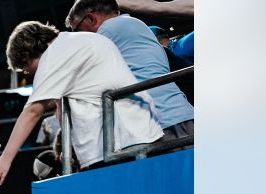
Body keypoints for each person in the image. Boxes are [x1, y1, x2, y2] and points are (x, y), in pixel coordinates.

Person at [0, 21, 162, 187]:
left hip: (114, 148)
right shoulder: (82, 39)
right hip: (144, 134)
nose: (29, 74)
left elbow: (33, 111)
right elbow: (66, 104)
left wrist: (5, 159)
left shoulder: (51, 57)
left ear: (27, 55)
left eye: (25, 69)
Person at [66, 0, 194, 139]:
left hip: (159, 122)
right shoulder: (135, 24)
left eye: (76, 30)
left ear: (91, 18)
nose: (77, 36)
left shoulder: (107, 30)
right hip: (180, 114)